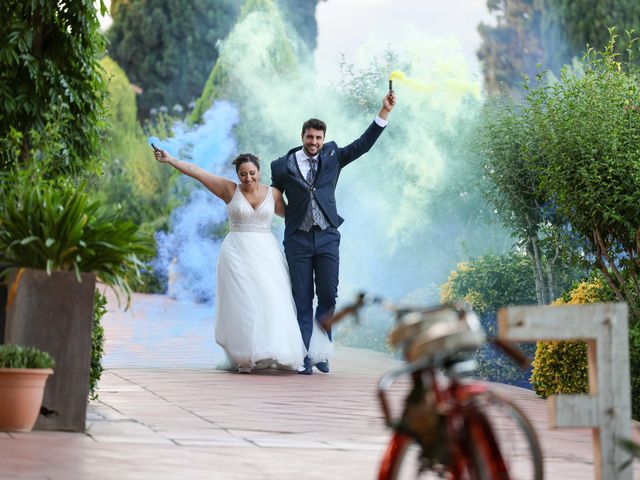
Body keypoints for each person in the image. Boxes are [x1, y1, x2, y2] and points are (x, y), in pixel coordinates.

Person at [153, 150, 331, 373]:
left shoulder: (274, 193)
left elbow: (291, 216)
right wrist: (170, 160)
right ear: (237, 174)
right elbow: (196, 172)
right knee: (244, 302)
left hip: (267, 253)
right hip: (236, 253)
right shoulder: (229, 190)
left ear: (259, 171)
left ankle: (273, 349)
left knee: (272, 298)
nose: (248, 178)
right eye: (243, 174)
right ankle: (246, 355)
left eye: (252, 173)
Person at [271, 91, 397, 375]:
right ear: (302, 136)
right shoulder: (281, 165)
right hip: (297, 240)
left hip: (327, 237)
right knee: (302, 298)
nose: (314, 142)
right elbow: (274, 194)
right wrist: (282, 214)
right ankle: (304, 356)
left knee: (328, 296)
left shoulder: (333, 156)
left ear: (323, 139)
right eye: (309, 137)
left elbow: (363, 145)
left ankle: (321, 352)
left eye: (318, 138)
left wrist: (384, 111)